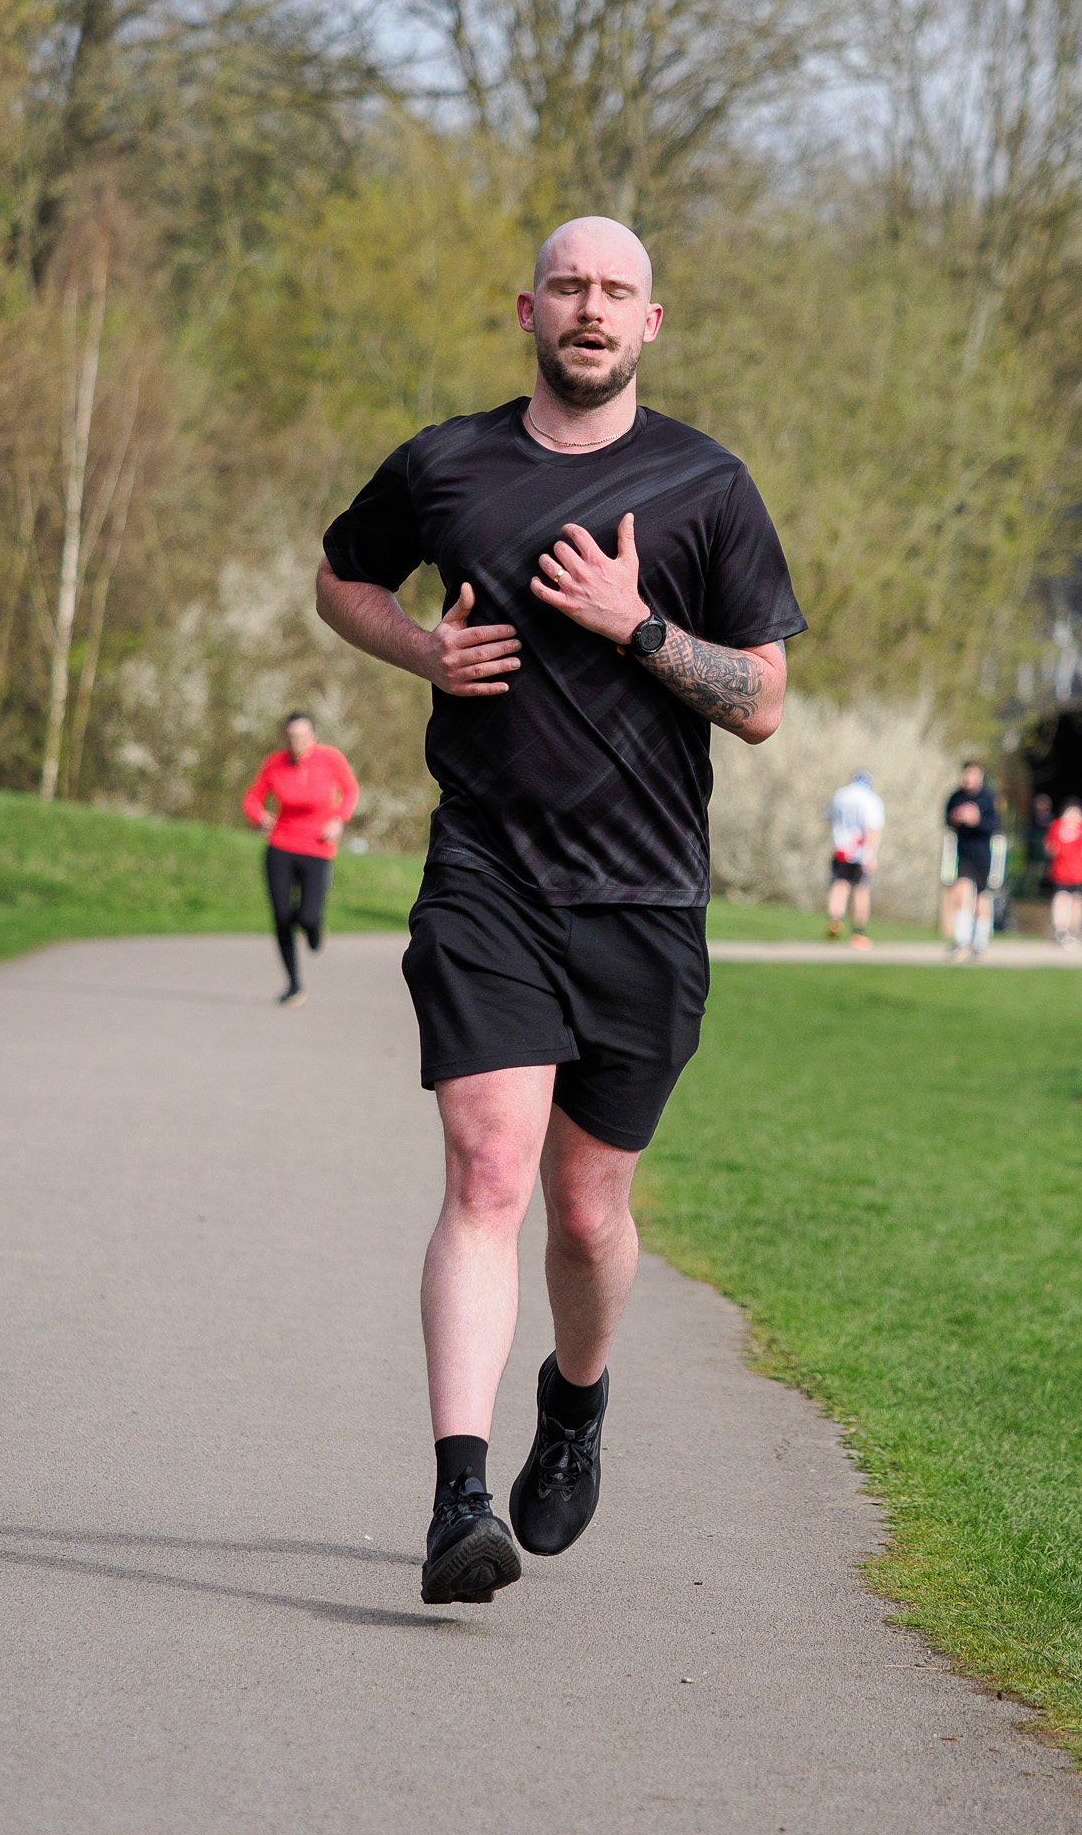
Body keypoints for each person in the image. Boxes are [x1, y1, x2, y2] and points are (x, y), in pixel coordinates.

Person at [314, 215, 805, 1607]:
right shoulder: (446, 463)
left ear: (653, 322)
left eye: (618, 292)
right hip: (488, 875)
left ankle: (576, 1399)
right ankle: (457, 1500)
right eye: (570, 287)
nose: (591, 309)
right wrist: (421, 646)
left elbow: (764, 702)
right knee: (485, 1170)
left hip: (646, 901)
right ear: (525, 307)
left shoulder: (706, 485)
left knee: (586, 1215)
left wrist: (634, 624)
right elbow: (340, 575)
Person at [242, 712, 358, 1006]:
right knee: (281, 918)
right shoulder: (274, 763)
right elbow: (252, 798)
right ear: (286, 739)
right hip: (280, 845)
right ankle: (294, 985)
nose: (299, 742)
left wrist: (339, 820)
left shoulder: (330, 758)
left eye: (304, 736)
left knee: (307, 916)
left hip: (317, 847)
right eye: (293, 737)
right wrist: (258, 816)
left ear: (314, 736)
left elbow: (350, 790)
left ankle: (315, 930)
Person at [943, 760, 1000, 960]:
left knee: (981, 898)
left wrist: (976, 821)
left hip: (983, 855)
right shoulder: (956, 796)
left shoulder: (989, 797)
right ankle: (961, 939)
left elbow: (994, 825)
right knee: (960, 890)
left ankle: (980, 942)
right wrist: (956, 818)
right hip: (963, 854)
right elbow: (947, 820)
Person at [825, 768, 885, 946]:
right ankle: (858, 932)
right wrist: (870, 854)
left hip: (841, 848)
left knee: (839, 885)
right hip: (860, 850)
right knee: (861, 890)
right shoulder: (871, 799)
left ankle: (835, 921)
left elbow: (830, 819)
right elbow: (872, 828)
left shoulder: (840, 795)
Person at [1045, 796, 1082, 946]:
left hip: (1074, 872)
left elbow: (1049, 848)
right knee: (1067, 900)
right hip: (1067, 871)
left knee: (1071, 901)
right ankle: (1065, 930)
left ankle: (1065, 930)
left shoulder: (1059, 826)